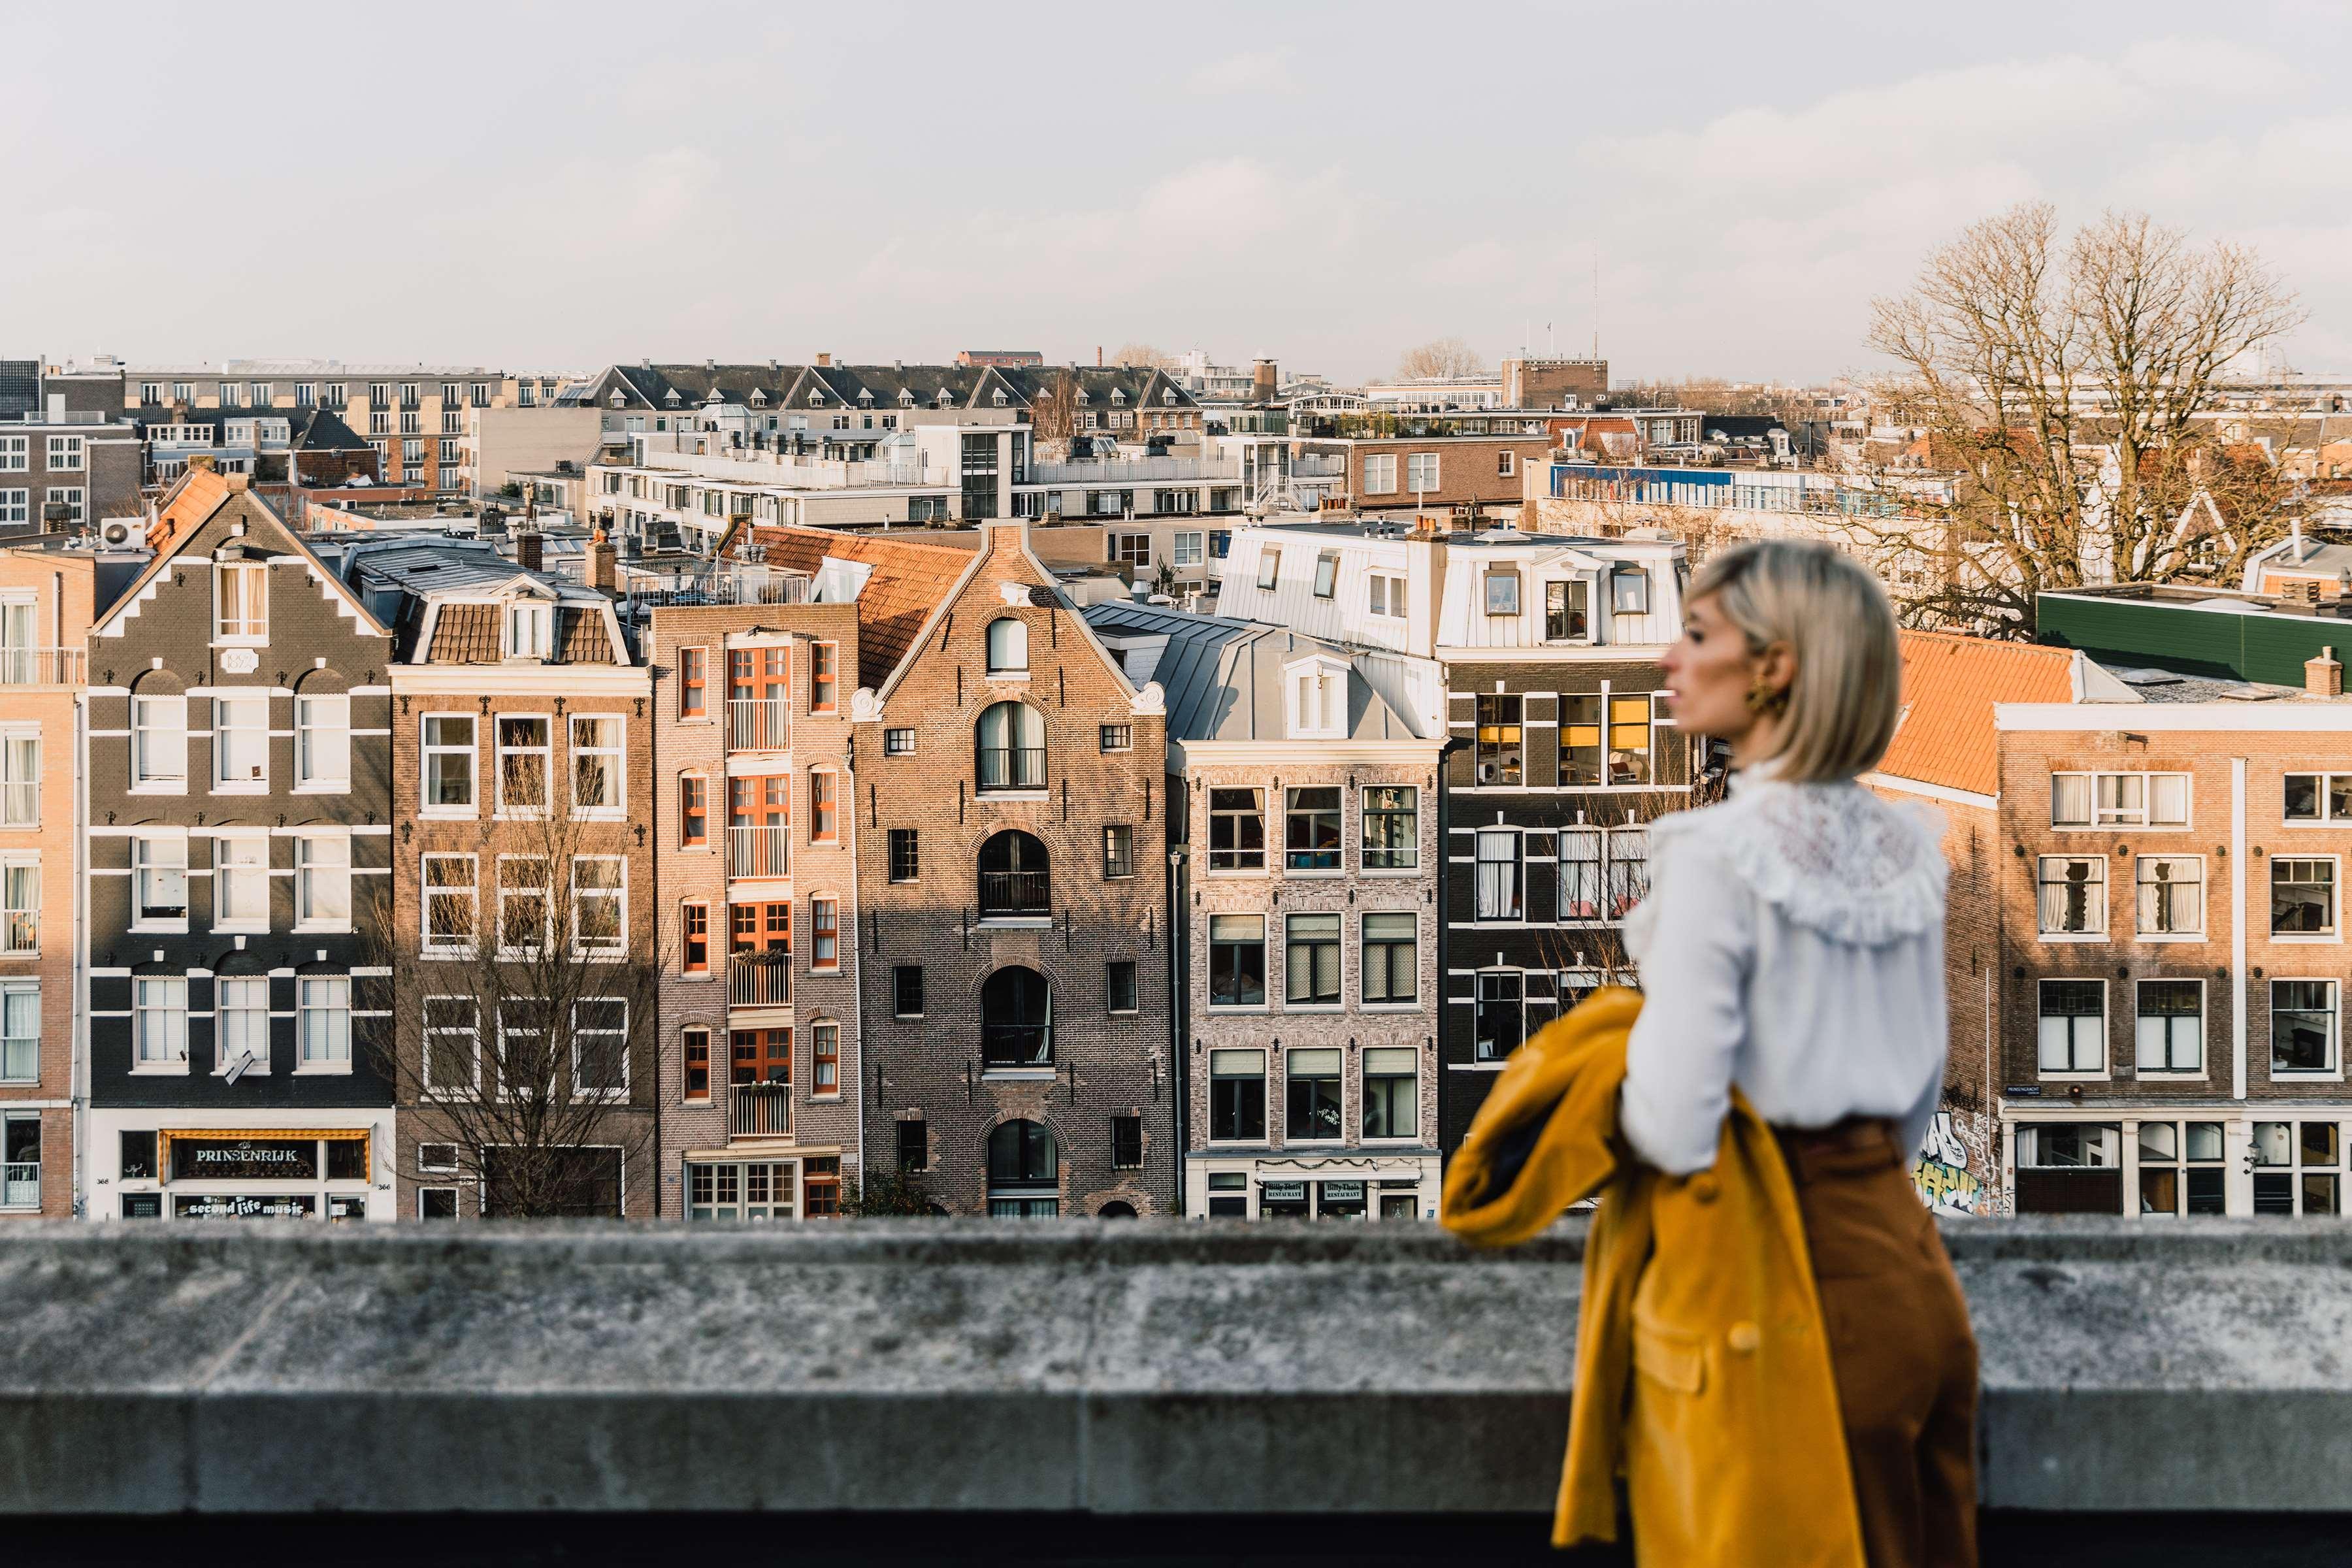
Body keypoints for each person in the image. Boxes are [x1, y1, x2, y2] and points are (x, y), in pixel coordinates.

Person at [1621, 540, 1977, 1568]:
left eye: (1696, 638)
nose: (1668, 663)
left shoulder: (1715, 860)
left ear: (1771, 669)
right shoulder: (1912, 848)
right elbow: (1915, 1103)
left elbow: (1675, 1123)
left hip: (1779, 1295)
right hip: (1912, 1283)